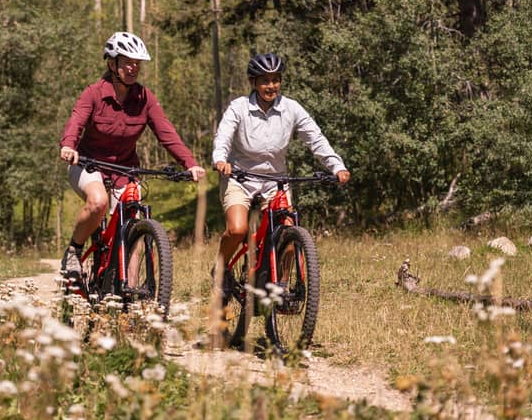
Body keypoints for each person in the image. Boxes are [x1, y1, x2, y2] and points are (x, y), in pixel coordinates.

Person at [59, 31, 206, 281]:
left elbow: (166, 133)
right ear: (112, 63)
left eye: (137, 63)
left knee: (132, 227)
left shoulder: (145, 98)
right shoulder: (93, 93)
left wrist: (190, 164)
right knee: (98, 202)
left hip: (125, 171)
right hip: (88, 164)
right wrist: (69, 145)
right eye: (127, 62)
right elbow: (76, 121)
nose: (133, 68)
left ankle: (130, 295)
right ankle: (74, 249)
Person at [211, 52, 350, 282]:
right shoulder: (239, 107)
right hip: (240, 179)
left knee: (288, 234)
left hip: (275, 181)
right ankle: (220, 269)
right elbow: (223, 136)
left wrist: (337, 166)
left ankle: (281, 287)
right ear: (253, 82)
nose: (271, 85)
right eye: (264, 80)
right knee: (237, 229)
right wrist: (220, 160)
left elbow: (315, 138)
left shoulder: (291, 108)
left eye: (276, 79)